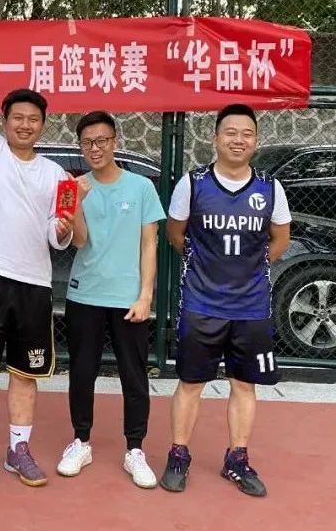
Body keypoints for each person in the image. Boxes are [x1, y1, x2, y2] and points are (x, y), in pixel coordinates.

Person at [0, 12, 74, 491]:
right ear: (4, 122)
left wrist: (62, 229)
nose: (25, 125)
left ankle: (18, 449)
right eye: (17, 118)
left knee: (25, 375)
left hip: (34, 286)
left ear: (43, 125)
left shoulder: (57, 176)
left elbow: (56, 236)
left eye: (33, 119)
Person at [159, 103, 291, 498]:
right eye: (230, 132)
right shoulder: (193, 184)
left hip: (251, 307)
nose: (238, 140)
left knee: (245, 384)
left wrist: (251, 268)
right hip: (201, 303)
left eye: (247, 133)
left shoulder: (269, 187)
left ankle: (237, 458)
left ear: (256, 141)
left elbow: (280, 239)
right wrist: (204, 266)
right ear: (215, 138)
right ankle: (178, 455)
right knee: (190, 383)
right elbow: (175, 234)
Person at [54, 111, 165, 488]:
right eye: (87, 143)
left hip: (128, 298)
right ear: (80, 147)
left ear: (115, 142)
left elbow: (149, 245)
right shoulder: (73, 187)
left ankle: (135, 449)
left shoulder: (141, 187)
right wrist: (77, 203)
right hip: (84, 293)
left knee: (134, 375)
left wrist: (145, 295)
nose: (95, 148)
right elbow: (79, 241)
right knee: (82, 371)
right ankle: (80, 441)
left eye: (102, 140)